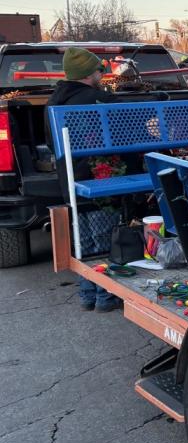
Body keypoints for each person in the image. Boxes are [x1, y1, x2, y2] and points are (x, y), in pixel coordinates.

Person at [46, 47, 121, 313]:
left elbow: (50, 142)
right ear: (89, 73)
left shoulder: (54, 101)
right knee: (104, 239)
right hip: (99, 178)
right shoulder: (97, 100)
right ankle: (105, 296)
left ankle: (88, 294)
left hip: (69, 180)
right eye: (99, 69)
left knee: (84, 238)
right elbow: (123, 132)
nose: (102, 73)